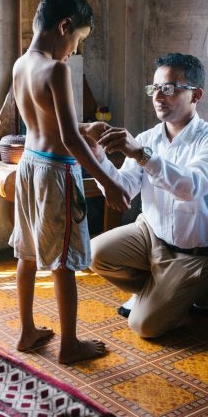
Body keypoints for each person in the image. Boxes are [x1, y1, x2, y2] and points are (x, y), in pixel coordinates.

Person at [9, 0, 131, 364]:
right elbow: (68, 142)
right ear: (64, 27)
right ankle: (69, 345)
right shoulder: (57, 69)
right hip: (55, 175)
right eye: (77, 40)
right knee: (64, 262)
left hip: (29, 166)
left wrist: (85, 126)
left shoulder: (22, 65)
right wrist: (108, 181)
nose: (75, 50)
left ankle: (27, 331)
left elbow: (50, 124)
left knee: (27, 253)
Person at [89, 52, 208, 338]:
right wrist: (97, 160)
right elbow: (124, 190)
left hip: (192, 254)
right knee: (94, 254)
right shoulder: (148, 138)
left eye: (168, 89)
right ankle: (155, 293)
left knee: (144, 326)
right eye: (154, 88)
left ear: (196, 95)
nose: (158, 96)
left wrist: (140, 155)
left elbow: (189, 188)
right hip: (151, 233)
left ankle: (193, 294)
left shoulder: (205, 139)